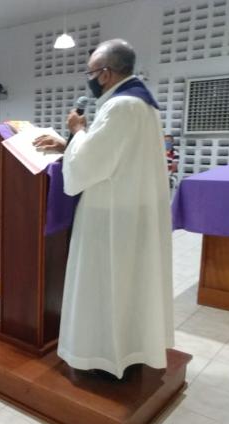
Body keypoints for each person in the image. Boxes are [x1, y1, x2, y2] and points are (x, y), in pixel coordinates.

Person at [33, 39, 173, 379]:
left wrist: (78, 130)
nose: (90, 79)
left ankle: (101, 356)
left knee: (105, 284)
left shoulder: (121, 106)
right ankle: (129, 346)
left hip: (111, 216)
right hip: (129, 209)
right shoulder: (142, 104)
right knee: (127, 286)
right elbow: (115, 157)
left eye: (91, 72)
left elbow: (90, 166)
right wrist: (68, 145)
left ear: (106, 74)